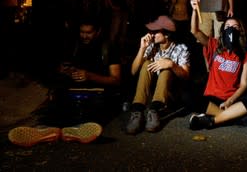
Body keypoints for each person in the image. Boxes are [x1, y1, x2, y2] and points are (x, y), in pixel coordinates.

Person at [8, 17, 122, 147]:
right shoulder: (75, 45)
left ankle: (75, 129)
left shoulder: (108, 48)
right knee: (55, 105)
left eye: (88, 32)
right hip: (72, 90)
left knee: (89, 111)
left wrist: (90, 76)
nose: (84, 36)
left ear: (98, 32)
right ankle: (48, 129)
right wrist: (64, 71)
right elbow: (64, 68)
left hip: (97, 92)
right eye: (82, 32)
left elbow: (116, 80)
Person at [188, 0, 247, 130]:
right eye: (227, 26)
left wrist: (230, 101)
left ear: (241, 31)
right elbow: (195, 31)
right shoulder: (214, 45)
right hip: (212, 98)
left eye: (235, 26)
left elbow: (244, 84)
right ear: (223, 30)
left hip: (232, 99)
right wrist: (194, 10)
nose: (231, 29)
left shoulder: (245, 54)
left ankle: (212, 120)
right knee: (190, 96)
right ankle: (237, 118)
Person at [125, 15, 190, 134]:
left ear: (167, 34)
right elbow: (133, 71)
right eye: (151, 31)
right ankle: (137, 111)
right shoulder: (151, 46)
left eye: (155, 32)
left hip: (171, 94)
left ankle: (154, 110)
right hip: (151, 91)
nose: (151, 34)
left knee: (167, 68)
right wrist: (142, 48)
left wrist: (171, 65)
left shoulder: (181, 48)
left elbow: (186, 76)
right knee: (146, 64)